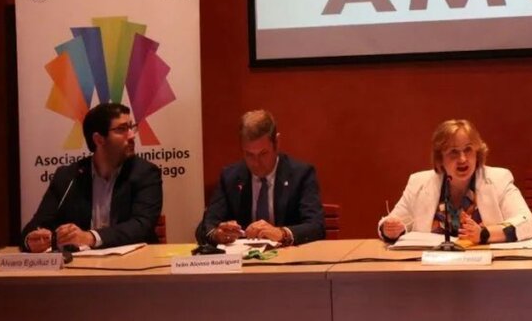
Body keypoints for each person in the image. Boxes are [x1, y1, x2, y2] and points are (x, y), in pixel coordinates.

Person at [21, 102, 163, 251]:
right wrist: (31, 240)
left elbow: (142, 225)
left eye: (131, 127)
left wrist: (91, 237)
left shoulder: (145, 173)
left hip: (134, 263)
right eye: (122, 129)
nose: (132, 135)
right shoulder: (69, 176)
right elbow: (36, 224)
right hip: (80, 267)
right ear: (98, 139)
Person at [378, 119, 532, 245]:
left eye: (468, 150)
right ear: (440, 158)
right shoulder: (419, 182)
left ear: (477, 153)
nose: (462, 159)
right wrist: (389, 229)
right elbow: (391, 223)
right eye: (453, 152)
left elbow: (527, 222)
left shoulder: (499, 179)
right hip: (433, 272)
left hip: (487, 271)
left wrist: (484, 234)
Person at [196, 110, 325, 246]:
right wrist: (218, 234)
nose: (256, 163)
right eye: (249, 155)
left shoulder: (301, 175)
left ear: (277, 142)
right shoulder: (230, 177)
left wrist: (282, 233)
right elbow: (205, 228)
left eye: (263, 154)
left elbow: (316, 226)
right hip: (243, 262)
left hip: (288, 260)